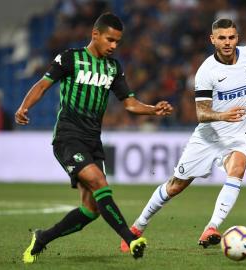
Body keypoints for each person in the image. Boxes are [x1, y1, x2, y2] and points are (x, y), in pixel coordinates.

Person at [120, 18, 246, 252]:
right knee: (175, 186)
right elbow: (201, 113)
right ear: (212, 40)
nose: (227, 42)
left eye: (231, 37)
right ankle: (137, 226)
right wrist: (223, 116)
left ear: (237, 38)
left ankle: (211, 227)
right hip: (208, 137)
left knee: (239, 167)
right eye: (222, 38)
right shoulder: (206, 71)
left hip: (238, 135)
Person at [15, 13, 173, 263]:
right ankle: (131, 240)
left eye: (117, 42)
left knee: (90, 210)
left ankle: (42, 237)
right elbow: (43, 85)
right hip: (68, 137)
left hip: (92, 141)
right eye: (110, 40)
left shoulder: (113, 68)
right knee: (99, 181)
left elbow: (130, 104)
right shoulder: (70, 58)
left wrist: (153, 109)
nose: (113, 46)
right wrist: (24, 107)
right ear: (95, 34)